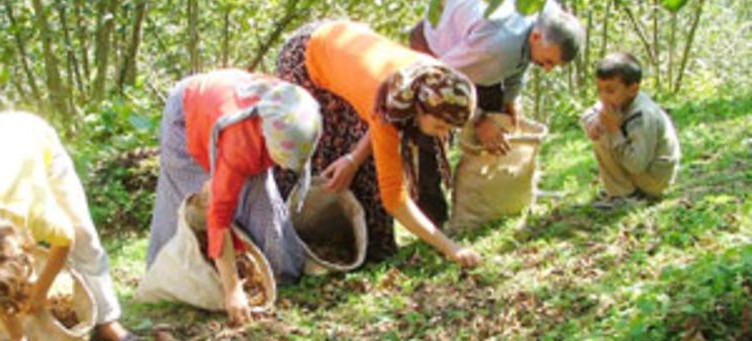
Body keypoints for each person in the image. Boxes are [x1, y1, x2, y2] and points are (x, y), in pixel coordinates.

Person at [0, 111, 145, 341]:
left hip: (36, 139)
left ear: (18, 252)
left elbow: (65, 239)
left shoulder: (37, 214)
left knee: (86, 239)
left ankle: (107, 321)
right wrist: (17, 337)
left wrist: (40, 291)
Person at [273, 20, 480, 266]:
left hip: (347, 52)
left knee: (360, 164)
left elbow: (378, 116)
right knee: (314, 149)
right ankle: (292, 247)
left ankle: (371, 249)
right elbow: (395, 198)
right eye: (439, 127)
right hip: (309, 55)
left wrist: (352, 160)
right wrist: (451, 248)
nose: (441, 134)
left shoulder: (435, 80)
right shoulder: (398, 93)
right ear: (418, 108)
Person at [146, 69, 322, 325]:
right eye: (281, 160)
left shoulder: (297, 112)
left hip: (230, 109)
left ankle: (278, 270)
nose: (283, 167)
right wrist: (232, 290)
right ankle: (174, 276)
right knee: (190, 200)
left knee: (260, 201)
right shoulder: (241, 144)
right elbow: (218, 214)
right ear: (266, 138)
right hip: (188, 114)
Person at [410, 0, 584, 154]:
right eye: (548, 62)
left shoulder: (544, 13)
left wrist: (510, 99)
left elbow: (522, 60)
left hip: (474, 49)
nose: (547, 70)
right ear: (536, 37)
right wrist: (479, 120)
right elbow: (441, 78)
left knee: (498, 116)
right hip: (434, 49)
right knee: (433, 131)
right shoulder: (496, 49)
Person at [580, 52, 681, 207]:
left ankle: (626, 196)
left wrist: (614, 131)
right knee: (600, 125)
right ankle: (623, 190)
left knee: (605, 132)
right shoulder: (618, 102)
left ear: (632, 90)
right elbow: (589, 112)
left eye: (610, 90)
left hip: (655, 179)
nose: (603, 97)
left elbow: (637, 164)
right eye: (599, 90)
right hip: (641, 171)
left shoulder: (643, 115)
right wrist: (592, 122)